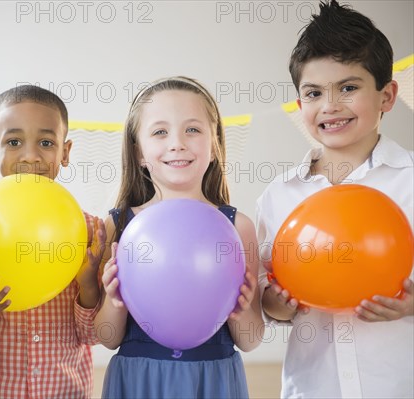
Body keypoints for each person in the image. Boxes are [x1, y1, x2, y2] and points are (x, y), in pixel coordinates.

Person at [256, 1, 414, 397]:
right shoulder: (280, 195)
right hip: (312, 389)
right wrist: (279, 304)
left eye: (348, 87)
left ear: (387, 96)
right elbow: (264, 297)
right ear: (299, 105)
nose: (330, 105)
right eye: (313, 93)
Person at [94, 76, 263, 398]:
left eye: (193, 129)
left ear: (214, 145)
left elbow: (251, 340)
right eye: (160, 132)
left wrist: (241, 312)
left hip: (212, 381)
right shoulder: (117, 227)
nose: (177, 143)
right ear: (138, 151)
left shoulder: (238, 227)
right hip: (138, 380)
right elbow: (108, 338)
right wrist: (114, 302)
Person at [0, 84, 106, 399]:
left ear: (65, 151)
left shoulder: (90, 231)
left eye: (46, 142)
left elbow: (95, 336)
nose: (31, 156)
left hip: (65, 392)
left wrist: (89, 287)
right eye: (14, 141)